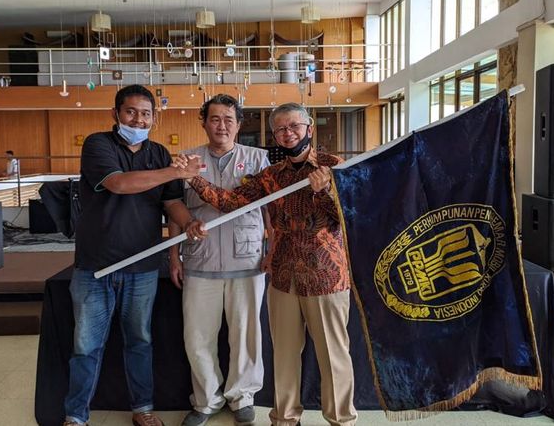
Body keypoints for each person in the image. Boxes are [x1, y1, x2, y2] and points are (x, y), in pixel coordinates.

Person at [175, 103, 357, 426]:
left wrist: (328, 191)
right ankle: (284, 419)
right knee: (284, 355)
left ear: (309, 128)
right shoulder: (271, 176)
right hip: (283, 277)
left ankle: (341, 420)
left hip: (325, 276)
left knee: (333, 355)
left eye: (294, 127)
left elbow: (353, 217)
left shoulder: (335, 167)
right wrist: (195, 180)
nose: (288, 134)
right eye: (281, 130)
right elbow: (232, 202)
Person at [63, 85, 206, 426]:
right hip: (95, 267)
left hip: (142, 267)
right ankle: (76, 416)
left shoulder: (159, 153)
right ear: (116, 114)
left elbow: (171, 202)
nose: (138, 120)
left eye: (145, 114)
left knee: (140, 341)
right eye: (131, 112)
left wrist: (189, 222)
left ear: (154, 118)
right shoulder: (98, 144)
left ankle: (143, 409)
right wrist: (177, 171)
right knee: (86, 346)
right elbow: (119, 183)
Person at [168, 94, 271, 426]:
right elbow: (174, 210)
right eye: (215, 119)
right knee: (197, 336)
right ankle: (206, 399)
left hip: (248, 260)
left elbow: (270, 210)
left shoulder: (257, 158)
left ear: (238, 125)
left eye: (229, 119)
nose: (222, 125)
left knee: (246, 333)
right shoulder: (187, 161)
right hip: (201, 260)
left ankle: (242, 396)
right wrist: (174, 256)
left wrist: (271, 248)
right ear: (204, 123)